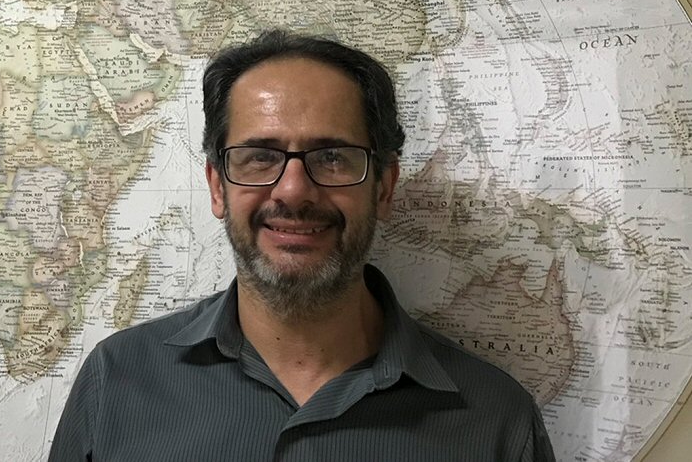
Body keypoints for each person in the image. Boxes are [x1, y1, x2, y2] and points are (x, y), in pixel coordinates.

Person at [48, 29, 555, 461]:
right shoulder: (116, 381)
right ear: (217, 187)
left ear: (383, 187)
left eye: (332, 157)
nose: (293, 191)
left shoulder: (497, 421)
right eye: (259, 156)